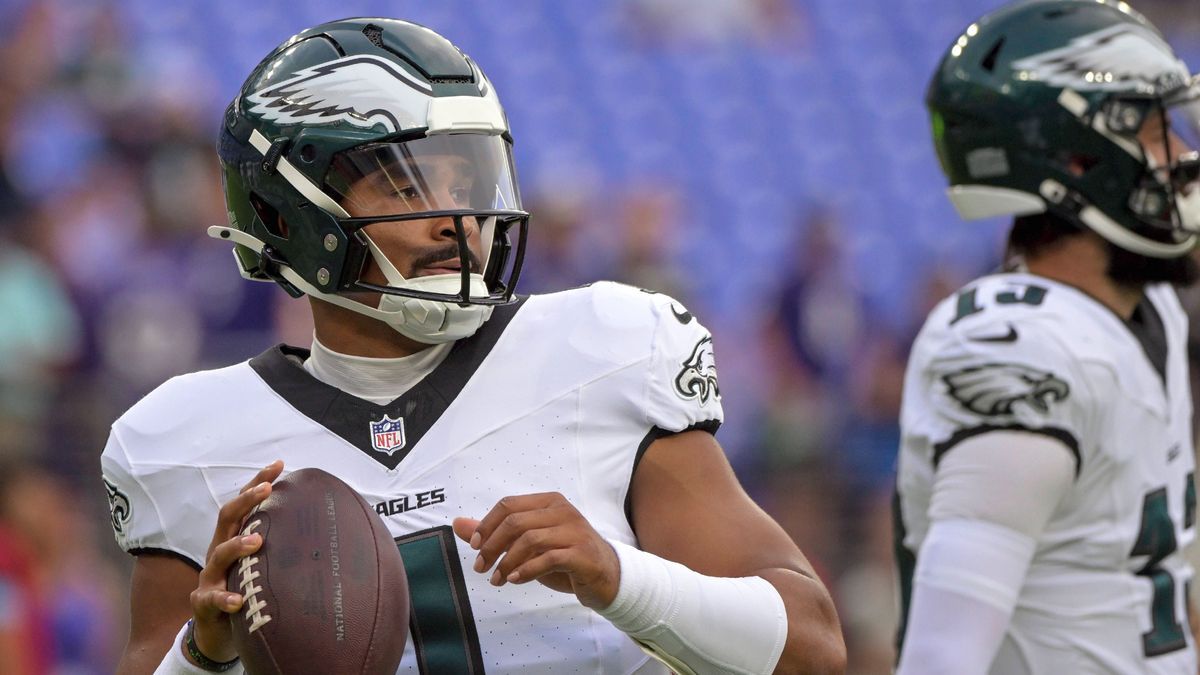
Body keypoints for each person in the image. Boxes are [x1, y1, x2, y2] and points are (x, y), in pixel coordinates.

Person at [98, 18, 845, 675]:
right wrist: (204, 655)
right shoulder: (183, 440)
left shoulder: (607, 348)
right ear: (288, 212)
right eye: (405, 186)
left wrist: (619, 576)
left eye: (466, 177)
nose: (455, 220)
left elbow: (812, 646)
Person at [894, 1, 1200, 673]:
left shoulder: (1154, 313)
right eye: (1156, 132)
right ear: (1079, 161)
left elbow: (1161, 586)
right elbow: (943, 656)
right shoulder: (1020, 344)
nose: (1182, 155)